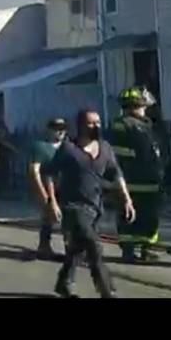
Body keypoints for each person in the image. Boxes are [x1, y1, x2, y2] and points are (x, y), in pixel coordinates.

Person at [42, 109, 136, 299]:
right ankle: (106, 289)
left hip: (95, 207)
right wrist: (52, 202)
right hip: (73, 207)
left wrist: (127, 199)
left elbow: (116, 174)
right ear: (81, 126)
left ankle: (64, 283)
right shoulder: (69, 149)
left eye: (98, 122)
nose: (96, 126)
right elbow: (49, 173)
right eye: (91, 123)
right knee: (93, 246)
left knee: (77, 248)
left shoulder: (105, 148)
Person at [108, 87, 165, 263]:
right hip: (131, 181)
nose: (145, 109)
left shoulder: (145, 125)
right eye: (142, 106)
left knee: (150, 216)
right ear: (134, 106)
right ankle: (129, 250)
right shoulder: (122, 125)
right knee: (129, 215)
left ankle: (146, 249)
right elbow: (118, 156)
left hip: (150, 180)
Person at [27, 118, 68, 260]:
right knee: (48, 218)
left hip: (66, 188)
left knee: (69, 219)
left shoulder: (68, 147)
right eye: (56, 128)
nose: (60, 131)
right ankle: (44, 247)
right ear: (49, 130)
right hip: (47, 187)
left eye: (63, 128)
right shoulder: (40, 147)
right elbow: (34, 171)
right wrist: (44, 196)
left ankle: (71, 249)